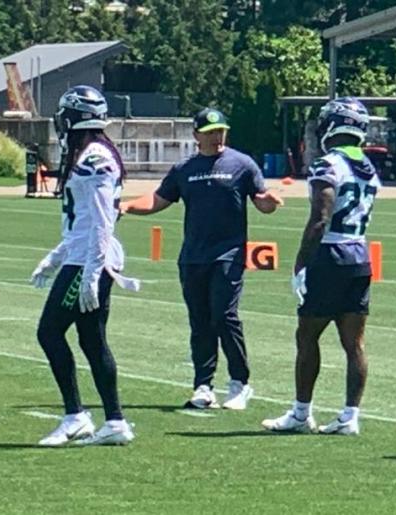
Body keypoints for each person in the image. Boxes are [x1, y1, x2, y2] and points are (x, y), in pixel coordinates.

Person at [121, 107, 282, 410]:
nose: (217, 137)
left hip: (229, 253)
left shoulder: (242, 164)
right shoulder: (185, 168)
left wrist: (269, 201)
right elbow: (159, 199)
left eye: (221, 131)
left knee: (224, 315)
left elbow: (261, 201)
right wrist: (128, 207)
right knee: (200, 322)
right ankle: (203, 385)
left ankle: (239, 383)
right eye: (210, 133)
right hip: (193, 256)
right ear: (196, 136)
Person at [262, 97, 380, 436]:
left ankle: (301, 412)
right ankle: (350, 415)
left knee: (307, 334)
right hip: (359, 253)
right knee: (354, 342)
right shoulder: (369, 168)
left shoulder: (328, 164)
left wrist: (301, 262)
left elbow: (320, 218)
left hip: (330, 255)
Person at [30, 85, 140, 446]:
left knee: (49, 332)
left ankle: (76, 415)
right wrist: (54, 257)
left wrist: (91, 273)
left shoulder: (92, 158)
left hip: (89, 262)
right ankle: (114, 421)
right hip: (83, 257)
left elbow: (101, 222)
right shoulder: (91, 153)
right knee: (92, 341)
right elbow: (83, 224)